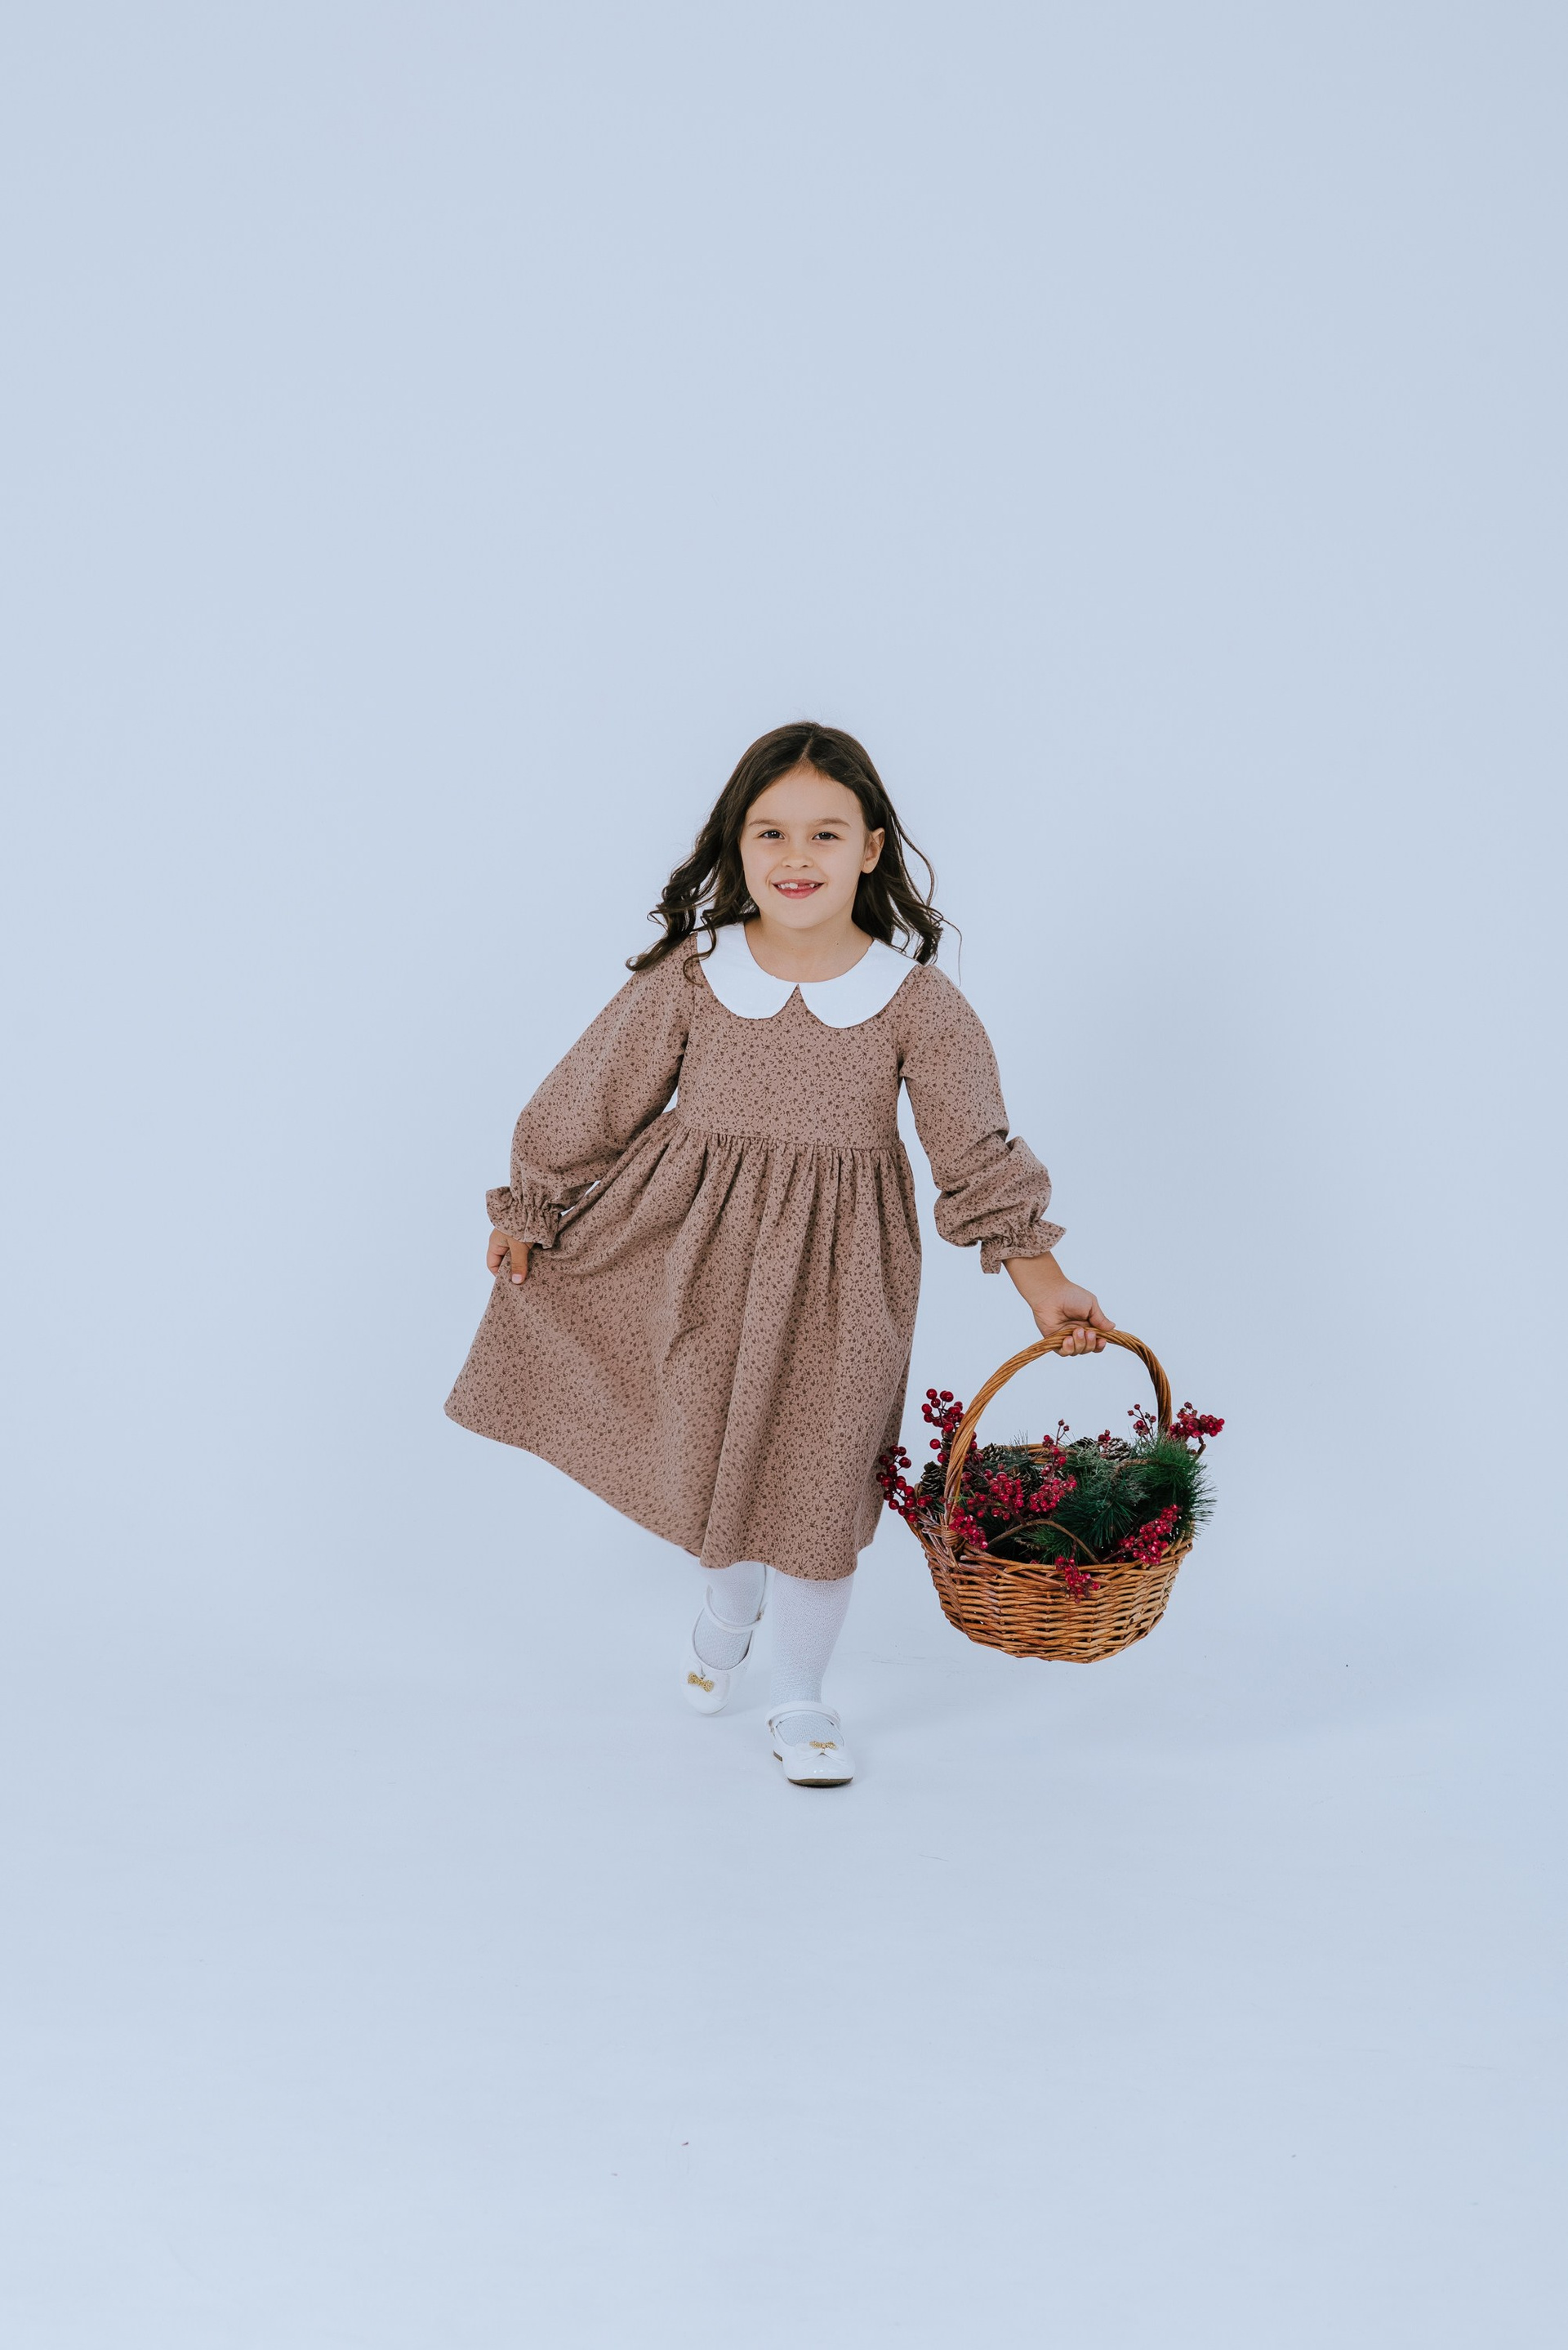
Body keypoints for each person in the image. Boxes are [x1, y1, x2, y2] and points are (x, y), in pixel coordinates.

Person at [445, 722, 1112, 1786]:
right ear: (737, 843)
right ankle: (728, 1604)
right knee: (710, 1453)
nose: (797, 856)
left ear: (871, 849)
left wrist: (1043, 1283)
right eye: (772, 832)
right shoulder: (696, 973)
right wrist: (533, 1202)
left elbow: (974, 1154)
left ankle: (801, 1696)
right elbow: (597, 1090)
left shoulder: (917, 1004)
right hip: (688, 1256)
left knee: (819, 1484)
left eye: (825, 833)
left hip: (842, 1279)